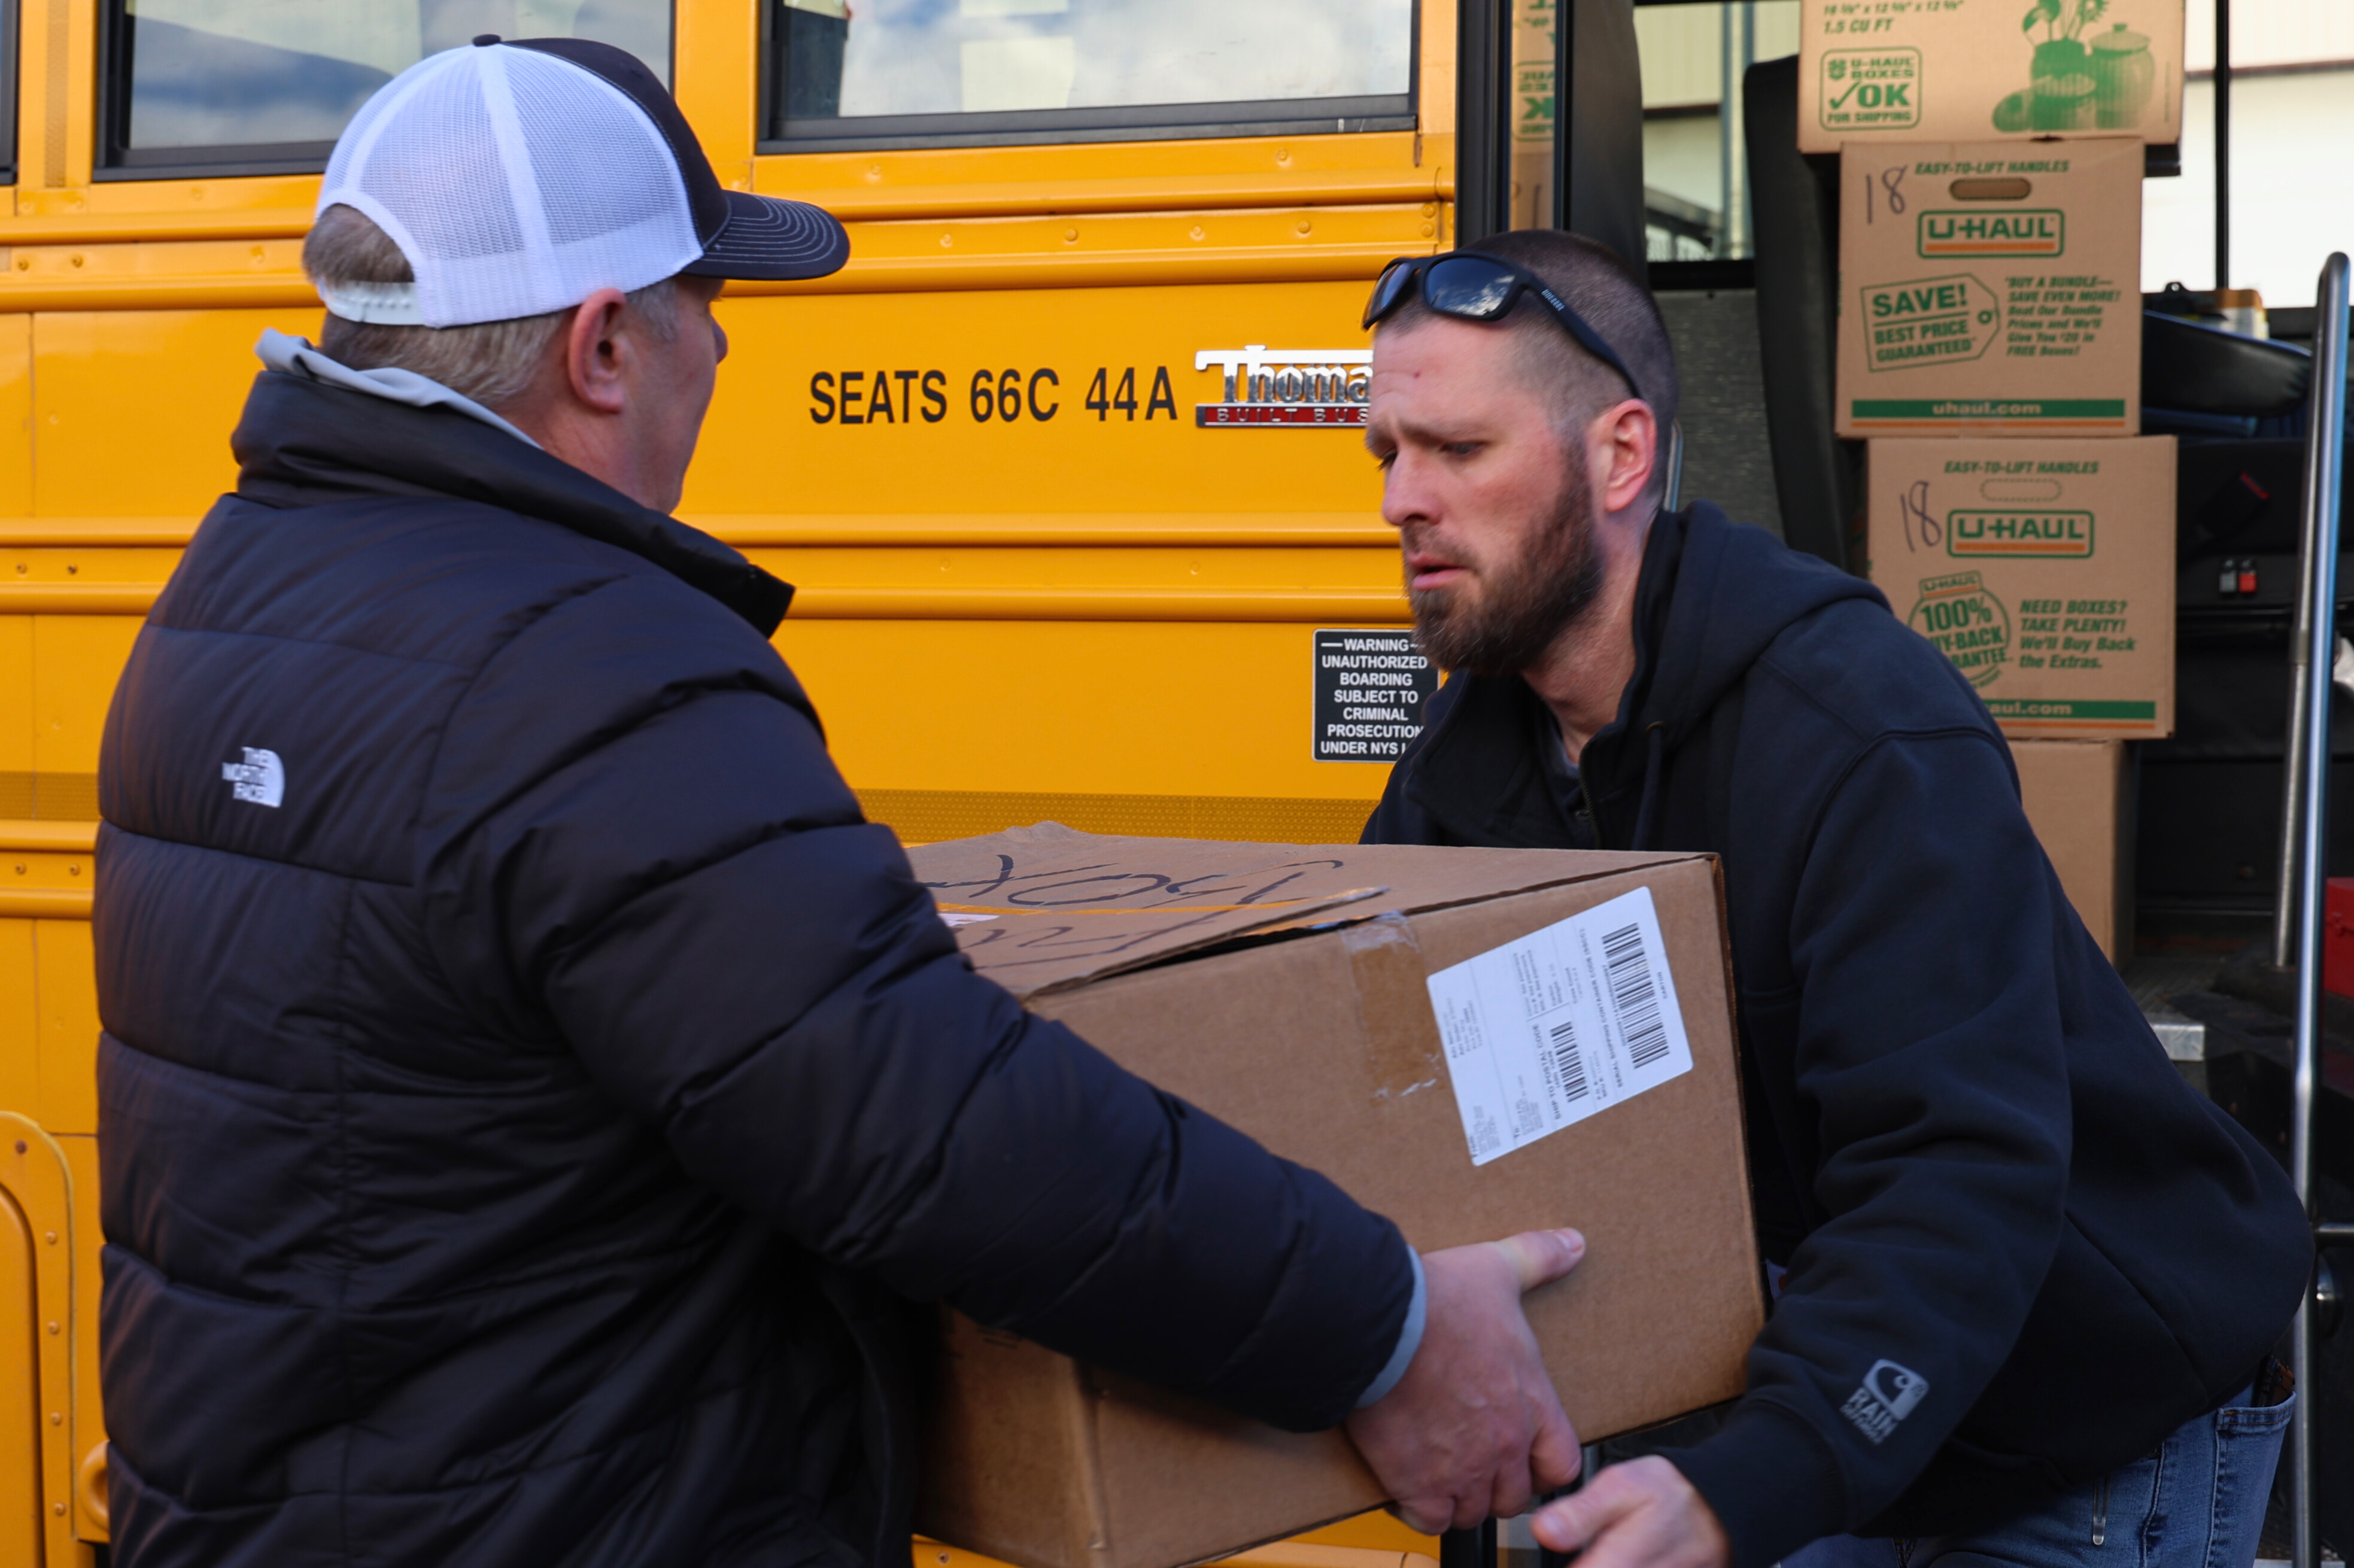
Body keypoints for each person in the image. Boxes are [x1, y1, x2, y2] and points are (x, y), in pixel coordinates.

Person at [92, 41, 1585, 1566]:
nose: (722, 355)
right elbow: (931, 1125)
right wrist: (1384, 1326)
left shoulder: (230, 599)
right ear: (604, 345)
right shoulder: (589, 669)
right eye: (708, 305)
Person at [1354, 230, 2314, 1568]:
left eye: (1453, 451)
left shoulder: (1856, 728)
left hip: (2080, 1410)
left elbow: (1955, 1165)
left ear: (1618, 455)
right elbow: (1377, 1110)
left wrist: (1762, 1471)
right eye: (1383, 454)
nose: (1401, 498)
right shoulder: (1463, 784)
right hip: (1806, 1398)